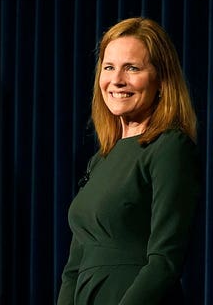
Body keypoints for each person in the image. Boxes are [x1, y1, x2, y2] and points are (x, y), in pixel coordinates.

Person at [57, 17, 200, 304]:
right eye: (109, 67)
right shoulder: (99, 160)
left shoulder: (170, 147)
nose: (117, 80)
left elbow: (164, 262)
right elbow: (73, 270)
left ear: (161, 79)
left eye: (132, 68)